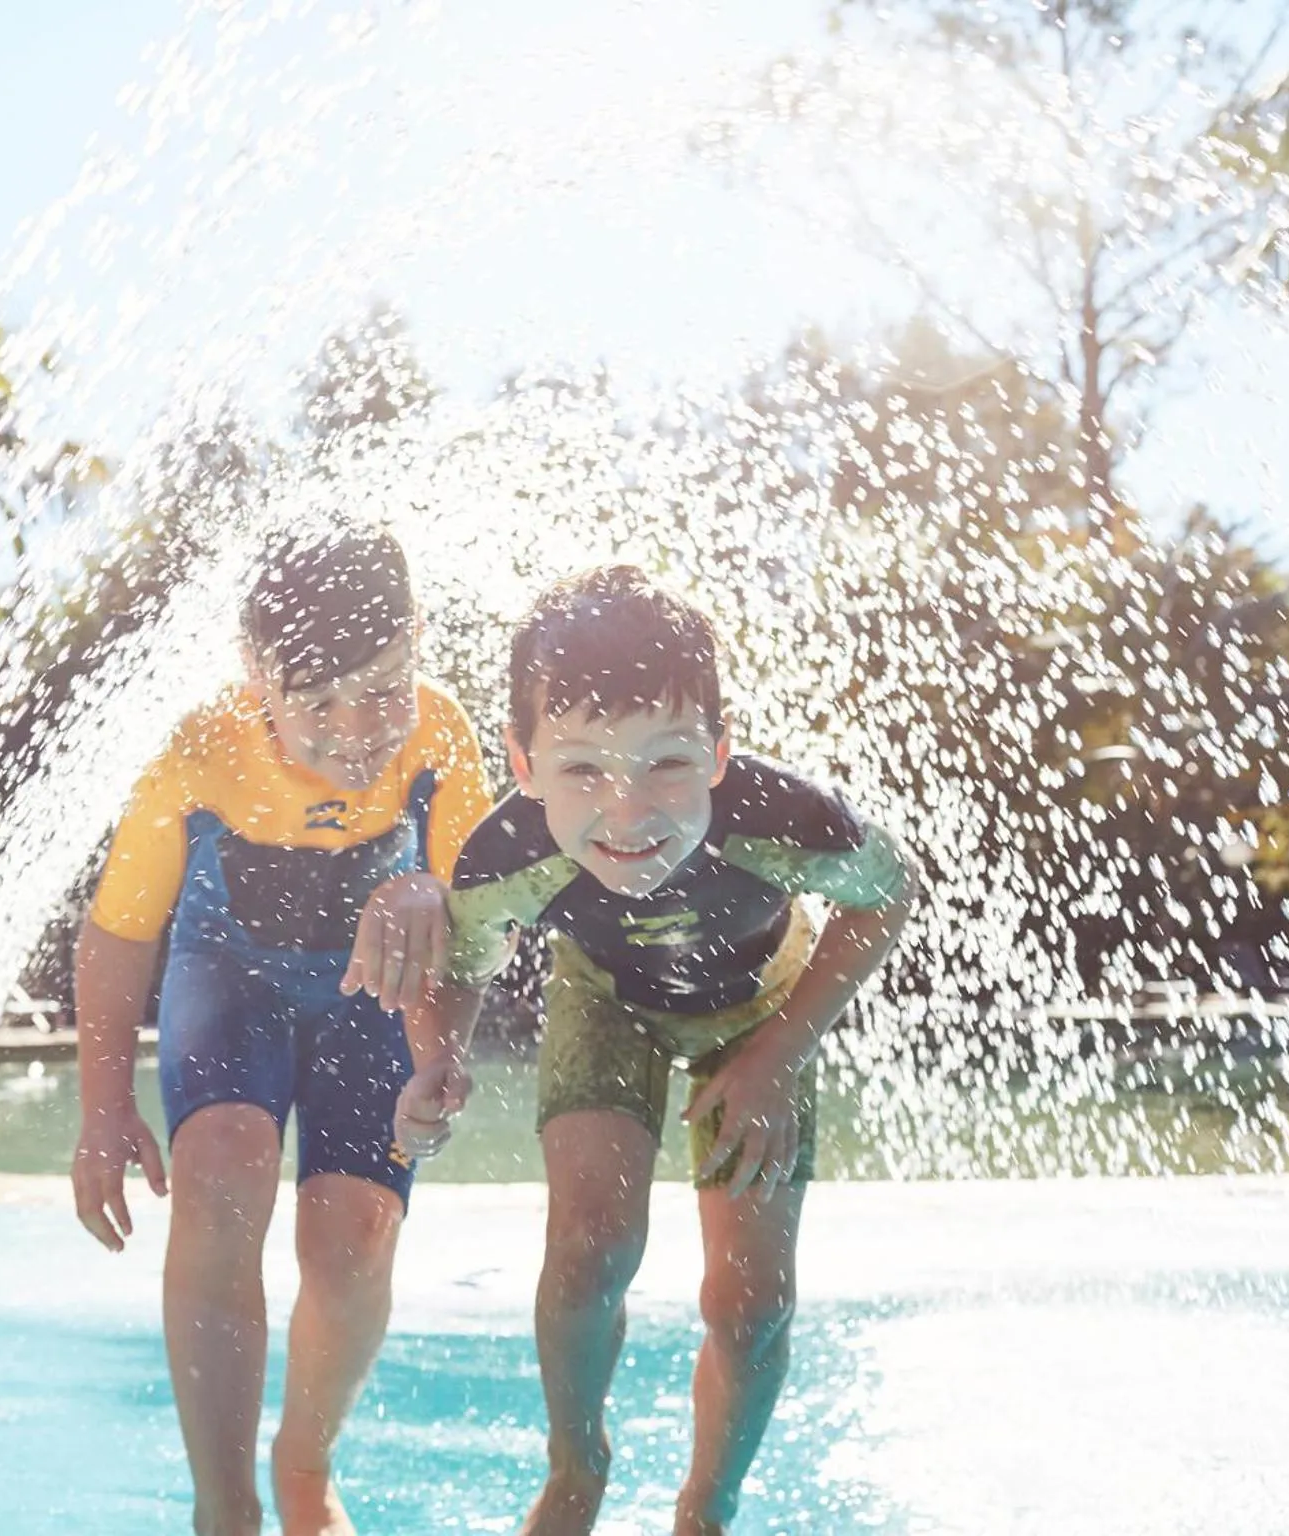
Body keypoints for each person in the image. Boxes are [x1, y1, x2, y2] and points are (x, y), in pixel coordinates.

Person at [392, 565, 917, 1536]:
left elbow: (888, 893)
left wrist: (774, 1059)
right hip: (606, 1000)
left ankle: (705, 1508)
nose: (627, 811)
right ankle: (574, 1464)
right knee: (591, 1247)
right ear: (521, 761)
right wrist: (439, 1058)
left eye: (666, 765)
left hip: (759, 1012)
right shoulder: (505, 854)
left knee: (751, 1304)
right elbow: (463, 967)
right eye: (582, 769)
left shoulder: (787, 821)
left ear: (718, 751)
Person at [72, 525, 494, 1536]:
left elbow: (480, 926)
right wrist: (100, 1108)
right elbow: (118, 934)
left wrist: (441, 1047)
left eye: (385, 685)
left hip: (373, 1000)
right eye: (316, 704)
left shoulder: (438, 741)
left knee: (351, 1239)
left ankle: (304, 1465)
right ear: (255, 671)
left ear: (419, 639)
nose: (358, 730)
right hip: (229, 977)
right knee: (221, 1165)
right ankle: (225, 1509)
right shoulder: (200, 751)